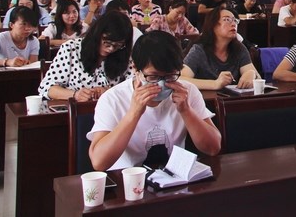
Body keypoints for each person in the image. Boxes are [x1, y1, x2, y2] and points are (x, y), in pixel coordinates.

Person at [87, 30, 221, 171]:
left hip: (172, 177)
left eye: (170, 76)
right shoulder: (113, 99)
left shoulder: (187, 92)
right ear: (136, 69)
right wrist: (134, 113)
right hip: (127, 178)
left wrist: (186, 110)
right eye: (153, 77)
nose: (161, 85)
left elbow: (213, 148)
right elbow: (99, 162)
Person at [38, 12, 133, 101]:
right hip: (76, 109)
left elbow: (134, 88)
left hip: (112, 110)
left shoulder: (124, 55)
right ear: (97, 34)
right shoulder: (71, 49)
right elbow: (46, 88)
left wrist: (110, 92)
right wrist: (75, 94)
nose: (111, 49)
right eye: (107, 43)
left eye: (118, 45)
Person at [181, 8, 257, 91]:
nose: (233, 24)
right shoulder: (199, 50)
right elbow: (181, 79)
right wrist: (215, 84)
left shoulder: (239, 48)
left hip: (231, 98)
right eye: (227, 20)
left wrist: (251, 74)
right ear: (213, 25)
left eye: (235, 20)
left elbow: (258, 78)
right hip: (205, 98)